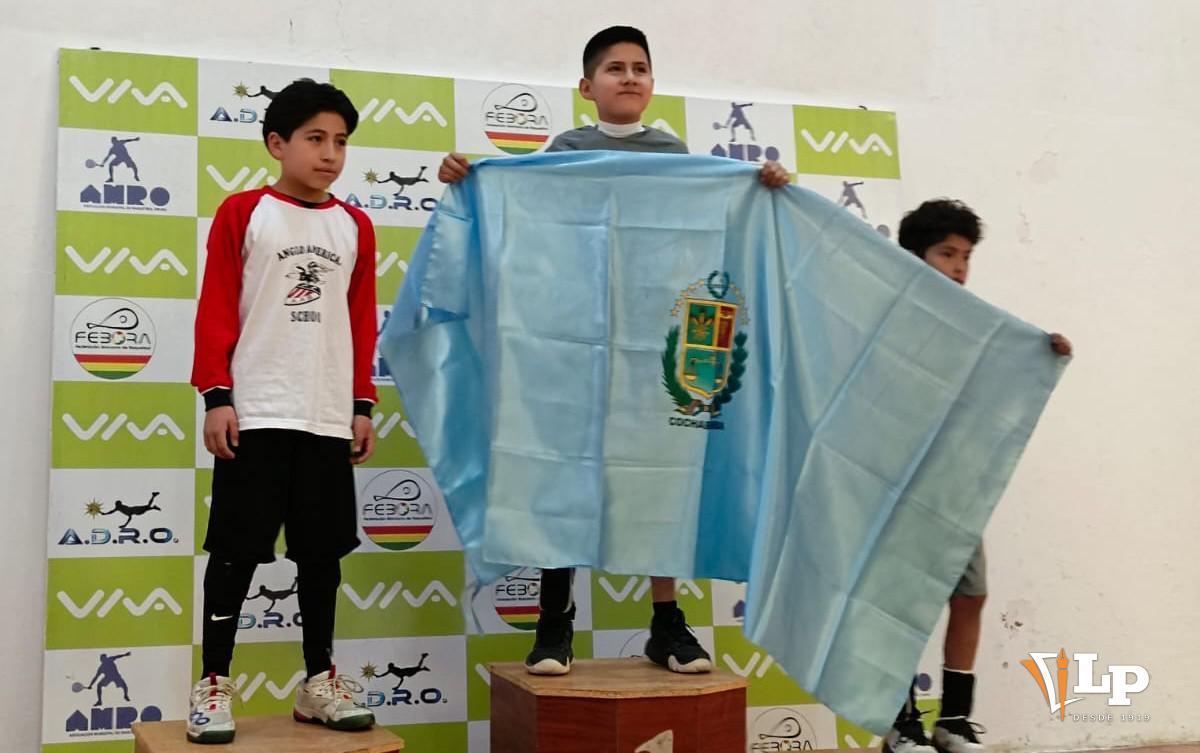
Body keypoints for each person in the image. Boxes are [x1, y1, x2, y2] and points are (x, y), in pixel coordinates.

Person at [438, 25, 790, 678]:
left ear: (652, 84)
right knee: (561, 469)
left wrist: (761, 181)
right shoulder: (563, 151)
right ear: (586, 87)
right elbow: (523, 217)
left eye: (639, 68)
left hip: (651, 343)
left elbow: (713, 220)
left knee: (663, 473)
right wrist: (468, 175)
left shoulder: (676, 153)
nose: (628, 77)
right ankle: (553, 621)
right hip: (571, 340)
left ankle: (666, 622)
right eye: (613, 68)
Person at [187, 78, 379, 744]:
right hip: (258, 410)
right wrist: (217, 393)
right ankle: (213, 683)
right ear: (277, 143)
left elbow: (360, 322)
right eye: (315, 139)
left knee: (321, 556)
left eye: (341, 142)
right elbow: (215, 307)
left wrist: (360, 404)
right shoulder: (244, 212)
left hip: (325, 416)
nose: (330, 154)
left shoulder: (355, 225)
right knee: (236, 552)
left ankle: (318, 680)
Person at [884, 199, 1072, 753]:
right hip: (896, 486)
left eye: (966, 256)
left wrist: (1043, 354)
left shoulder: (976, 325)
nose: (960, 266)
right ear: (915, 256)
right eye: (947, 253)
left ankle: (954, 720)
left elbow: (997, 378)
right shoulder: (888, 315)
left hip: (955, 486)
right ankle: (902, 722)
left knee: (970, 596)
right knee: (898, 604)